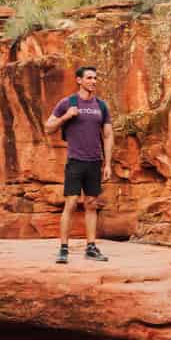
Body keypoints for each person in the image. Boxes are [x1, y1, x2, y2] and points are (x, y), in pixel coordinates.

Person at [44, 64, 114, 264]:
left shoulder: (101, 106)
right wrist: (66, 117)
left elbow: (108, 135)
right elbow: (48, 128)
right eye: (89, 78)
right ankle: (63, 248)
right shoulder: (67, 102)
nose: (93, 81)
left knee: (91, 204)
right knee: (71, 203)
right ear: (79, 80)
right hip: (75, 161)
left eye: (95, 78)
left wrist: (107, 164)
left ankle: (91, 247)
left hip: (95, 161)